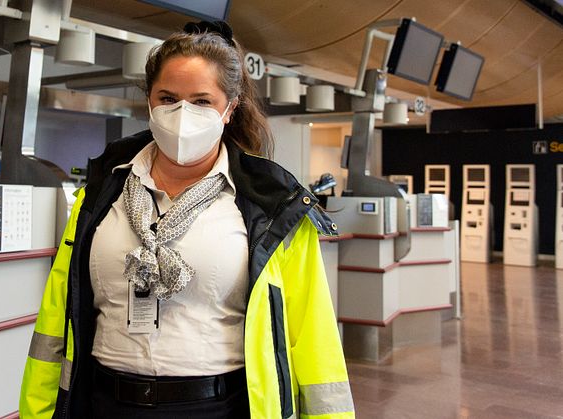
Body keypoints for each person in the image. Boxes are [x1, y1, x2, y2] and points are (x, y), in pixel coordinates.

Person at [19, 20, 354, 419]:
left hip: (215, 406)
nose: (182, 113)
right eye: (168, 98)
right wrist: (37, 412)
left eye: (201, 101)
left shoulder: (274, 208)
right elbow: (55, 319)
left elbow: (312, 336)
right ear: (149, 103)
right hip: (103, 402)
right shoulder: (99, 195)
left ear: (229, 109)